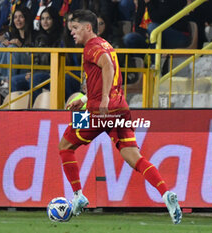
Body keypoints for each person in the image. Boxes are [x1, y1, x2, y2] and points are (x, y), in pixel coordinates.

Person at [58, 9, 182, 224]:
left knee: (65, 146)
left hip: (99, 112)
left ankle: (78, 196)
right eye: (71, 29)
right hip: (120, 109)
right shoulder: (105, 43)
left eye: (75, 28)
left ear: (88, 28)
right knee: (134, 157)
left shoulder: (92, 47)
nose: (72, 32)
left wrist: (102, 99)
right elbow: (104, 74)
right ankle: (165, 193)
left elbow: (106, 65)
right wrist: (87, 98)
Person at [11, 6, 63, 102]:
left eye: (48, 18)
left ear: (54, 20)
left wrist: (34, 73)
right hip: (38, 72)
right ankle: (17, 110)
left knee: (35, 79)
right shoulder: (39, 36)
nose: (45, 22)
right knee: (14, 80)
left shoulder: (61, 37)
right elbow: (36, 58)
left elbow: (53, 61)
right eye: (42, 19)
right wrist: (32, 71)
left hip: (53, 73)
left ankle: (34, 109)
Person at [0, 6, 34, 91]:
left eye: (21, 17)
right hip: (16, 65)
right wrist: (4, 42)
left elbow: (34, 57)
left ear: (27, 18)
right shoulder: (11, 34)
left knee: (13, 48)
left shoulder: (35, 35)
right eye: (15, 17)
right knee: (0, 47)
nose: (17, 20)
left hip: (28, 66)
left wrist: (21, 46)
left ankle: (7, 80)